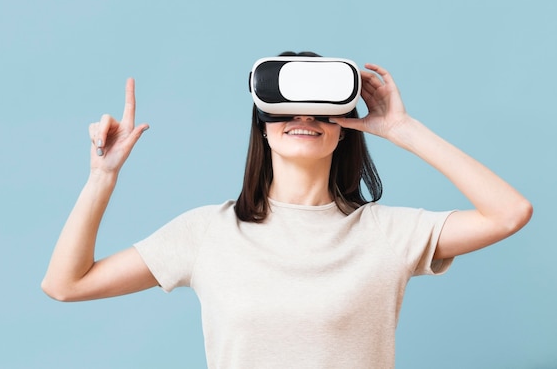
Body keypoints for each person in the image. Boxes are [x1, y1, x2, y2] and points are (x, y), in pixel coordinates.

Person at [42, 53, 532, 369]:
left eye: (320, 109)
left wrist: (402, 129)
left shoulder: (388, 233)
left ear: (343, 128)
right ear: (262, 125)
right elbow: (66, 285)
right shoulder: (206, 233)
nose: (303, 117)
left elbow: (509, 213)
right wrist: (103, 176)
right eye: (286, 107)